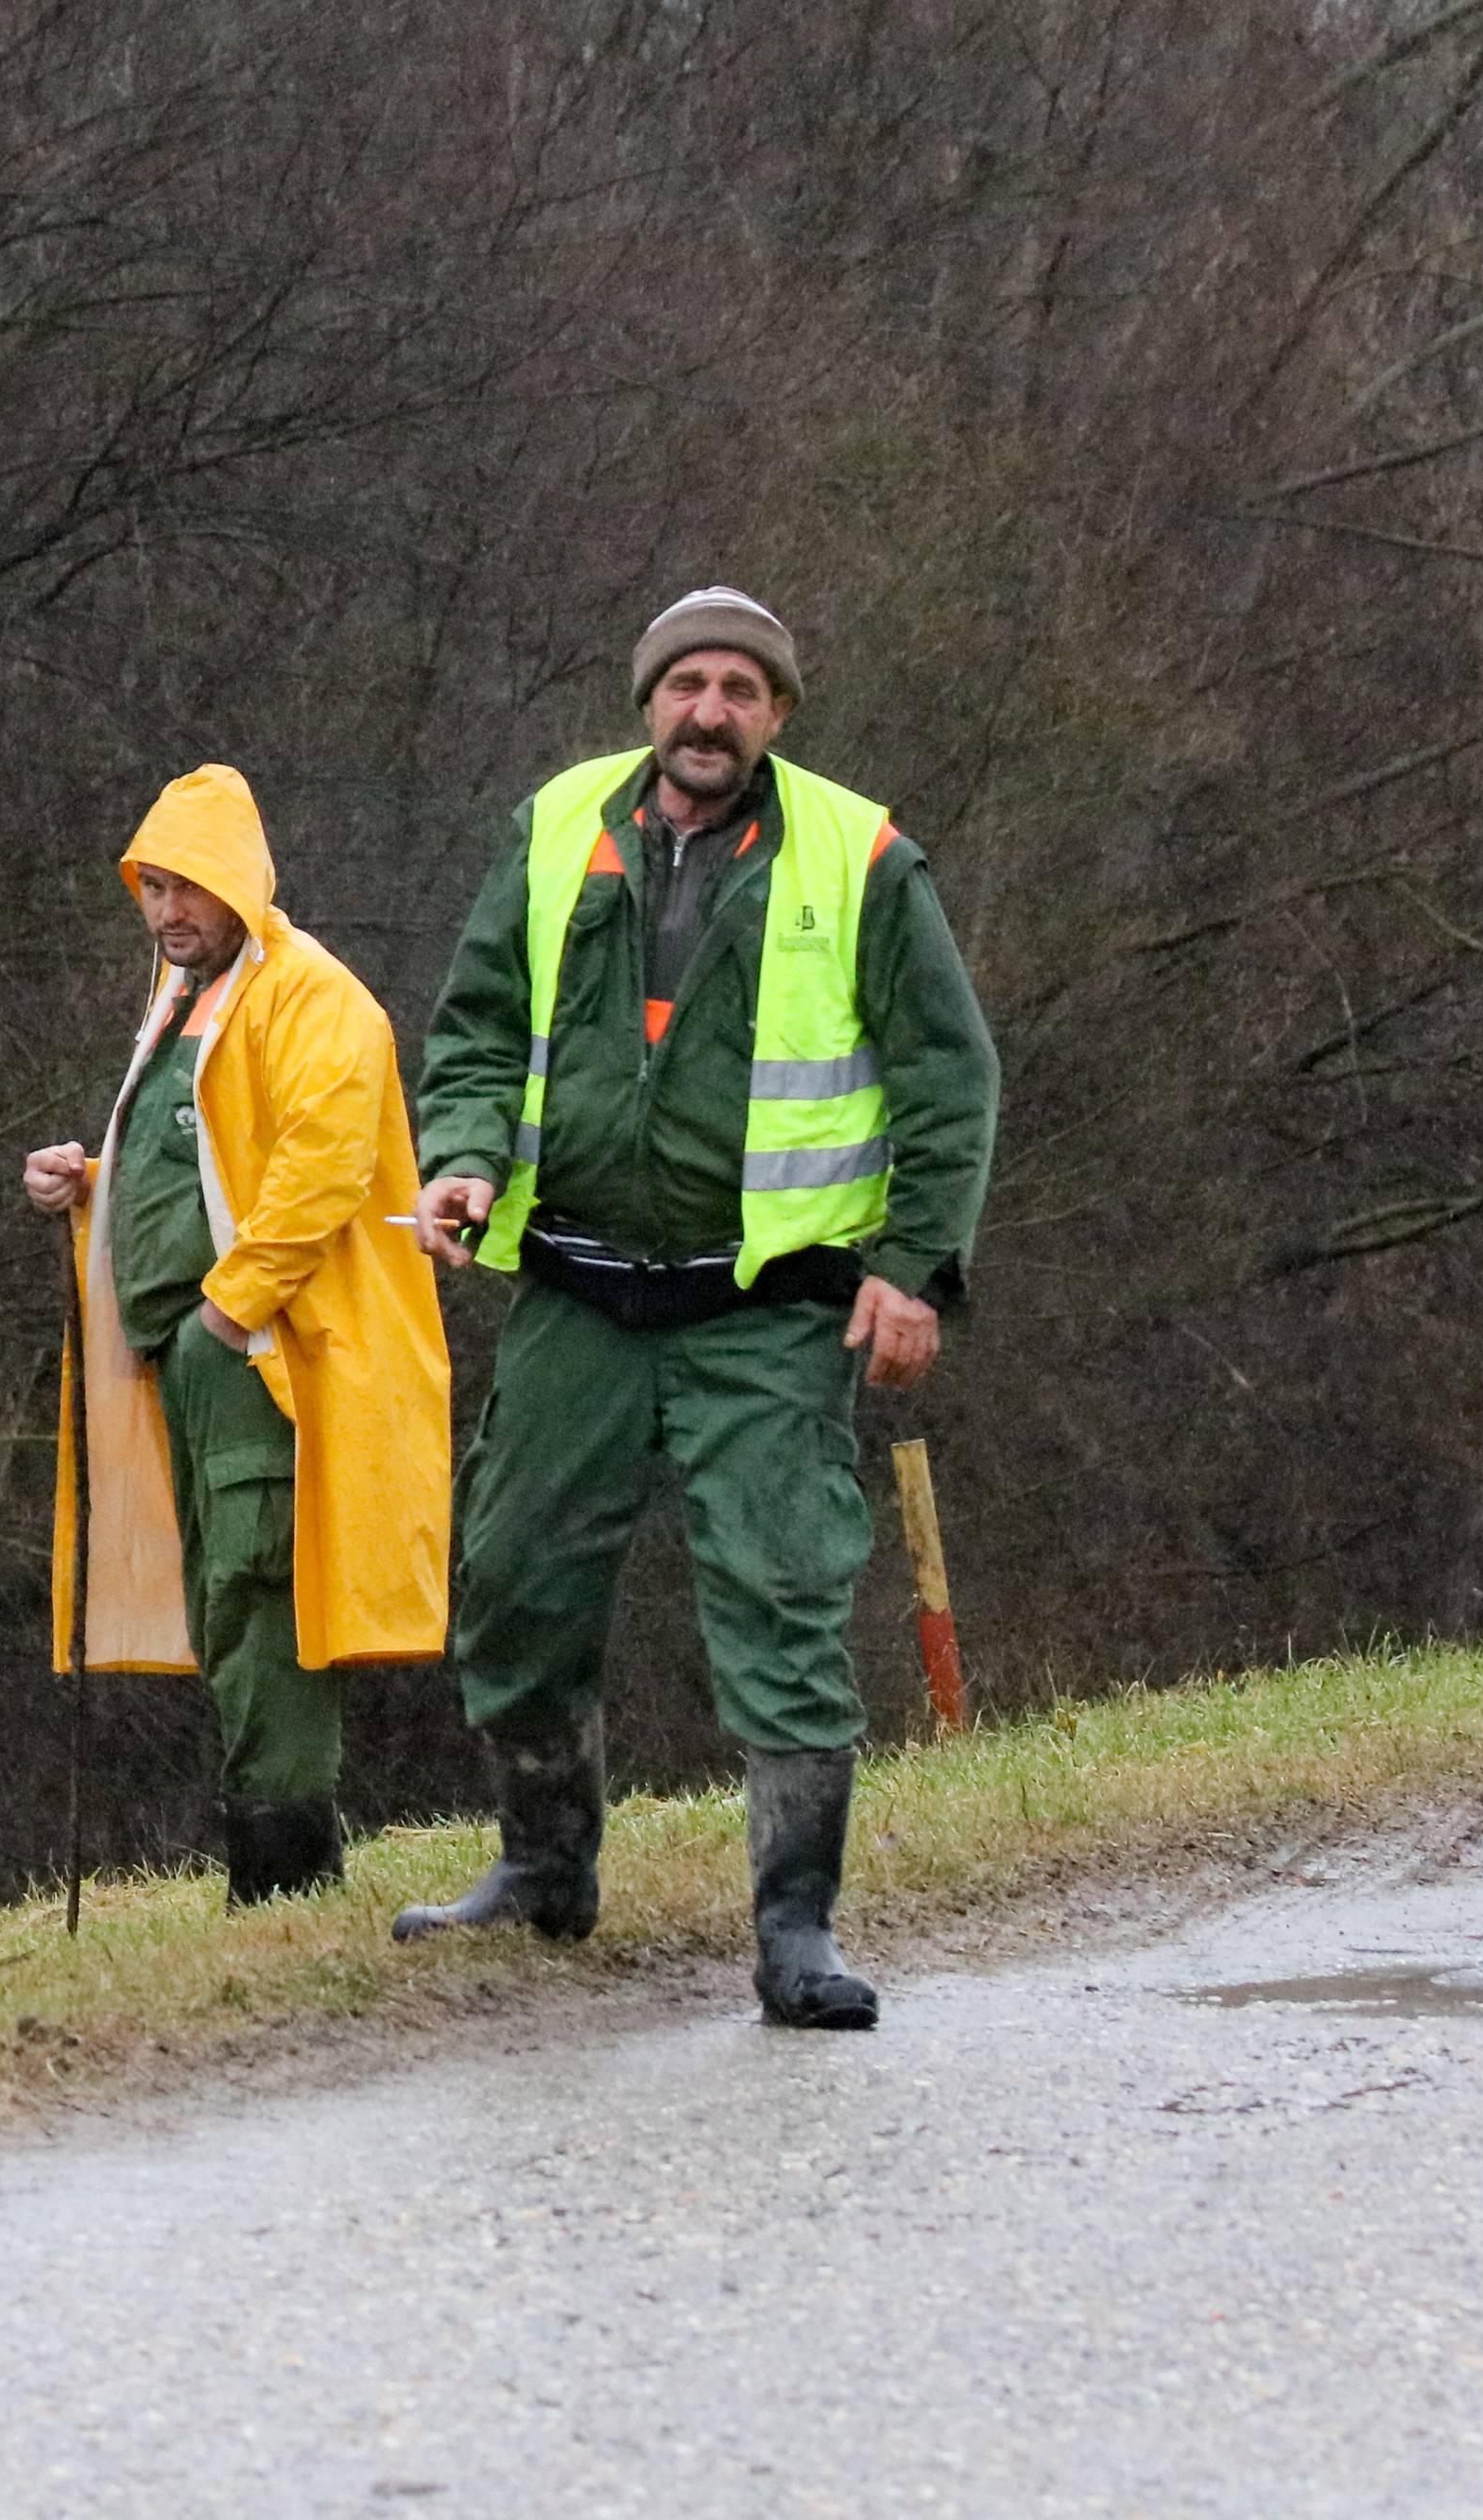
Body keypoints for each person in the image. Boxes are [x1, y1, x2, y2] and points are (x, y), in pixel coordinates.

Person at [394, 586, 998, 2027]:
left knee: (782, 1601)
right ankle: (545, 1868)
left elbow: (949, 1074)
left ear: (777, 714)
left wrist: (914, 1269)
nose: (709, 711)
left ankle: (797, 1933)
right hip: (578, 1293)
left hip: (770, 1310)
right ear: (648, 702)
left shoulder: (861, 856)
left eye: (740, 687)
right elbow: (476, 1024)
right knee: (515, 1586)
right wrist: (465, 1157)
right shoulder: (553, 826)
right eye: (687, 685)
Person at [26, 763, 450, 1903]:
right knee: (223, 1598)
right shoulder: (181, 1006)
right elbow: (208, 1160)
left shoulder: (316, 997)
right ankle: (267, 1864)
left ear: (242, 883)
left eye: (189, 885)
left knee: (263, 1595)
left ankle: (287, 1873)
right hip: (186, 1359)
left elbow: (323, 1167)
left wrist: (229, 1306)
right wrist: (88, 1184)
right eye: (153, 887)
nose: (169, 911)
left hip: (259, 1356)